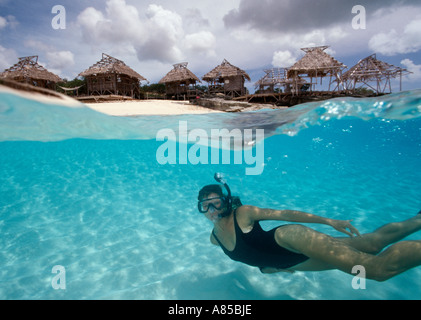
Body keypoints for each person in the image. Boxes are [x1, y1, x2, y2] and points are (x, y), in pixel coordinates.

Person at [197, 175, 421, 282]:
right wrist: (266, 267)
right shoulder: (214, 238)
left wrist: (329, 221)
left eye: (215, 202)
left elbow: (284, 214)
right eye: (205, 206)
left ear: (225, 200)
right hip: (293, 260)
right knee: (371, 245)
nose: (211, 210)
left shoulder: (243, 213)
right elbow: (250, 252)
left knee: (375, 270)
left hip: (292, 239)